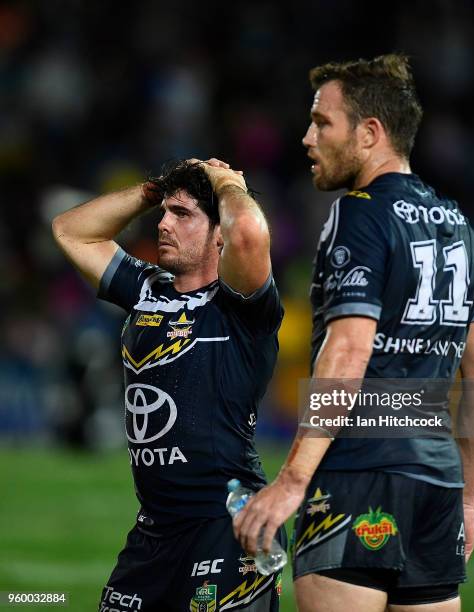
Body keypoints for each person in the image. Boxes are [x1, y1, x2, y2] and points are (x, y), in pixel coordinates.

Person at [234, 54, 474, 611]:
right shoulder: (462, 227)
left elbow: (350, 349)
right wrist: (470, 500)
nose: (307, 137)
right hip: (437, 484)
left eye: (322, 122)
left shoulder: (357, 213)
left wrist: (291, 481)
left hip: (358, 473)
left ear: (370, 133)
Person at [52, 159, 286, 611]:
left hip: (228, 524)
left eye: (182, 215)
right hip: (155, 530)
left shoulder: (240, 306)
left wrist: (225, 182)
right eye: (164, 212)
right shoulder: (147, 289)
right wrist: (153, 190)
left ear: (219, 233)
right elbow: (71, 230)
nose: (163, 223)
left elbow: (250, 234)